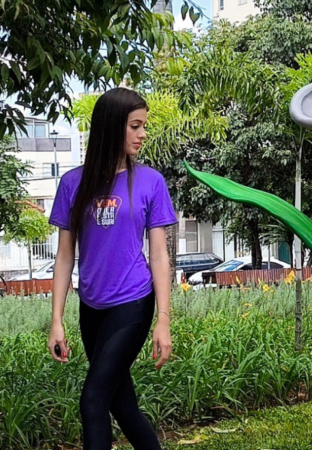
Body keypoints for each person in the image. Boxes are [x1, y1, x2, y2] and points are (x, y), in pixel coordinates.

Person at [47, 87, 178, 450]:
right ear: (111, 127)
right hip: (91, 308)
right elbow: (63, 256)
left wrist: (163, 319)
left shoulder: (151, 181)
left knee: (92, 400)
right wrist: (57, 320)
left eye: (143, 126)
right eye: (135, 126)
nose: (143, 134)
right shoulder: (73, 183)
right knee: (122, 404)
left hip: (133, 303)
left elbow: (159, 255)